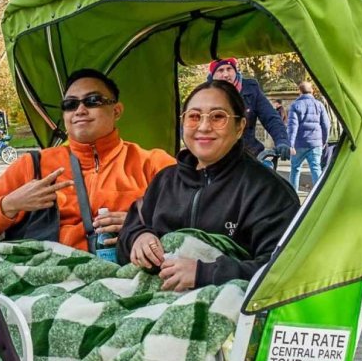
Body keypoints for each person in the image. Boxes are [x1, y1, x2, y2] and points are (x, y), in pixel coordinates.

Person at [0, 69, 175, 252]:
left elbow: (198, 221)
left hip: (129, 282)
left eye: (93, 101)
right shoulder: (34, 165)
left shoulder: (153, 164)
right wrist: (10, 204)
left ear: (116, 110)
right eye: (70, 104)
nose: (80, 110)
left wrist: (142, 224)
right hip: (45, 285)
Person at [118, 79, 299, 289]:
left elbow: (284, 268)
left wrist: (205, 273)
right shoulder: (165, 180)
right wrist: (138, 238)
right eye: (194, 117)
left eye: (218, 117)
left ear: (240, 127)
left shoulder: (268, 192)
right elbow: (133, 228)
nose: (204, 127)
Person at [210, 58, 289, 169]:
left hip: (249, 154)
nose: (226, 74)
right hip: (217, 158)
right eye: (220, 70)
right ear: (212, 74)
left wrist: (282, 140)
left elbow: (270, 117)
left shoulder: (251, 89)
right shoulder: (204, 93)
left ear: (235, 71)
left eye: (229, 69)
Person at [285, 80, 330, 190]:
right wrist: (324, 140)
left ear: (299, 91)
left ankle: (293, 195)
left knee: (295, 169)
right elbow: (326, 125)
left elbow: (292, 127)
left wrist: (290, 144)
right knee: (316, 168)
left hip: (299, 144)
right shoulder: (319, 105)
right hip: (316, 143)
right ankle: (318, 194)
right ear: (312, 91)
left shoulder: (295, 106)